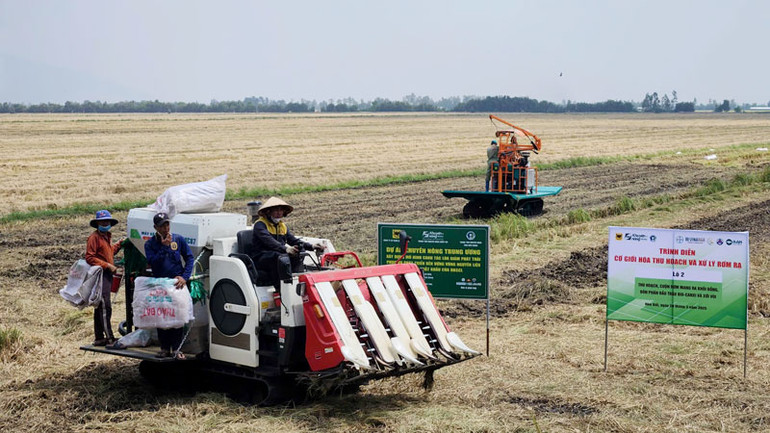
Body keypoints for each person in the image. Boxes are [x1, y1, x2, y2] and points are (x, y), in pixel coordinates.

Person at [144, 212, 194, 360]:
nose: (165, 228)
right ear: (155, 228)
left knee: (177, 316)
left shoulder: (178, 239)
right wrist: (164, 248)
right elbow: (152, 262)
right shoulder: (150, 244)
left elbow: (189, 258)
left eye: (167, 224)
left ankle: (177, 348)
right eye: (162, 226)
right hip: (160, 284)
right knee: (162, 316)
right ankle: (164, 348)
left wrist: (185, 277)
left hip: (176, 284)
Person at [252, 197, 322, 288]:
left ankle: (295, 282)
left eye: (281, 210)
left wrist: (311, 246)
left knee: (300, 252)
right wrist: (286, 249)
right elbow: (269, 241)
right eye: (276, 210)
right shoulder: (260, 224)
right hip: (261, 256)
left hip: (278, 253)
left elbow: (293, 240)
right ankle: (279, 287)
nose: (279, 213)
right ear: (268, 211)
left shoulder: (282, 226)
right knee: (278, 256)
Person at [85, 209, 123, 346]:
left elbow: (109, 252)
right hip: (101, 274)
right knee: (105, 306)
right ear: (97, 224)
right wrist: (107, 265)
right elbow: (90, 257)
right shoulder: (94, 238)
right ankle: (110, 338)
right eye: (102, 222)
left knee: (100, 307)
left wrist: (119, 244)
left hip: (107, 274)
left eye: (107, 221)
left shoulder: (106, 236)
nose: (105, 224)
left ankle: (99, 337)